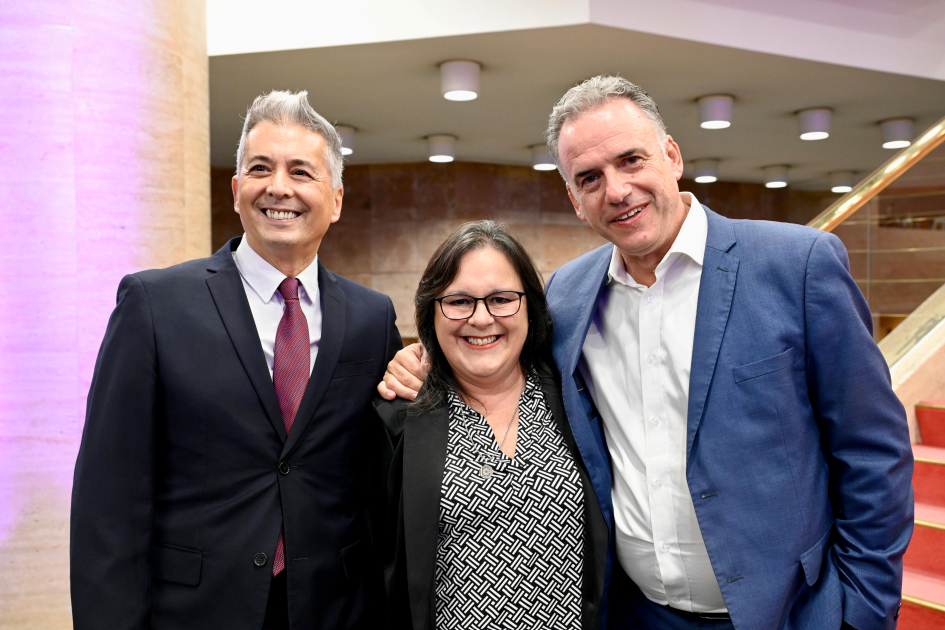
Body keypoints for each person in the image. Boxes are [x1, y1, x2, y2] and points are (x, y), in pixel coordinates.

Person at [379, 76, 914, 630]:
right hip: (635, 614)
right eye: (590, 177)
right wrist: (424, 361)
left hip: (789, 613)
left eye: (630, 160)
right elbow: (497, 352)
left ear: (673, 156)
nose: (616, 190)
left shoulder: (797, 265)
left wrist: (861, 614)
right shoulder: (568, 295)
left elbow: (873, 452)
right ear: (575, 199)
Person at [71, 90, 401, 630]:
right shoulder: (154, 305)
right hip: (194, 613)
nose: (279, 187)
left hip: (336, 610)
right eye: (260, 168)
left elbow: (377, 475)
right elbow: (108, 501)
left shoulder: (371, 318)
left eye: (301, 172)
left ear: (336, 199)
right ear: (236, 189)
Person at [374, 221, 607, 630]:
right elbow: (379, 569)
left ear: (531, 309)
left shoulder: (580, 397)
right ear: (433, 313)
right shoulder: (398, 419)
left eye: (501, 299)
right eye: (459, 301)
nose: (481, 319)